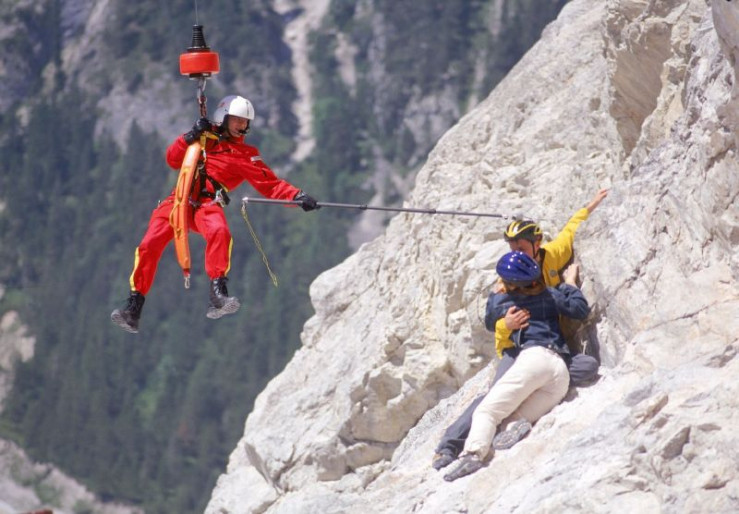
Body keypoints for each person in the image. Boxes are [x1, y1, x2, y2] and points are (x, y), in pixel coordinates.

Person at [111, 95, 319, 333]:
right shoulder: (202, 137)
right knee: (149, 244)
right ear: (224, 118)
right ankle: (134, 307)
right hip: (177, 201)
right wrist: (189, 136)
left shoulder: (245, 154)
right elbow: (172, 160)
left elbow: (270, 184)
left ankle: (218, 294)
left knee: (220, 232)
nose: (242, 125)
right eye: (237, 119)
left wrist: (297, 196)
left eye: (245, 121)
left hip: (207, 204)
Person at [432, 189, 607, 470]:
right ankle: (449, 446)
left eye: (522, 248)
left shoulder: (550, 256)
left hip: (548, 348)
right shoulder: (507, 282)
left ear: (537, 245)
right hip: (515, 347)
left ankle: (511, 417)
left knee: (583, 368)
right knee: (494, 395)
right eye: (513, 249)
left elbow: (570, 232)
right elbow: (493, 323)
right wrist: (507, 324)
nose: (516, 254)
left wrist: (592, 205)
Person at [443, 251, 590, 481]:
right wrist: (569, 283)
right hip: (560, 373)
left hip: (534, 360)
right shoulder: (551, 295)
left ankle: (472, 454)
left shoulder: (505, 302)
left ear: (510, 284)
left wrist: (495, 294)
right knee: (511, 420)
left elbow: (490, 321)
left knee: (487, 412)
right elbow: (580, 310)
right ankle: (514, 429)